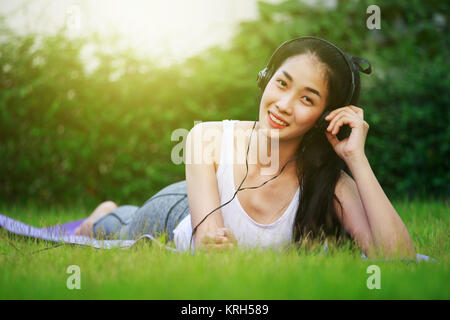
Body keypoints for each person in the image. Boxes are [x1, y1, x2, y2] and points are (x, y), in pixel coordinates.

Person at [74, 37, 417, 259]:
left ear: (324, 116)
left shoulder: (332, 185)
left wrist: (355, 157)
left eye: (307, 99)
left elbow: (400, 258)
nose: (283, 104)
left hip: (208, 193)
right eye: (281, 83)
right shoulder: (206, 138)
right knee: (115, 228)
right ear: (266, 77)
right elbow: (211, 251)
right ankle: (103, 212)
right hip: (173, 213)